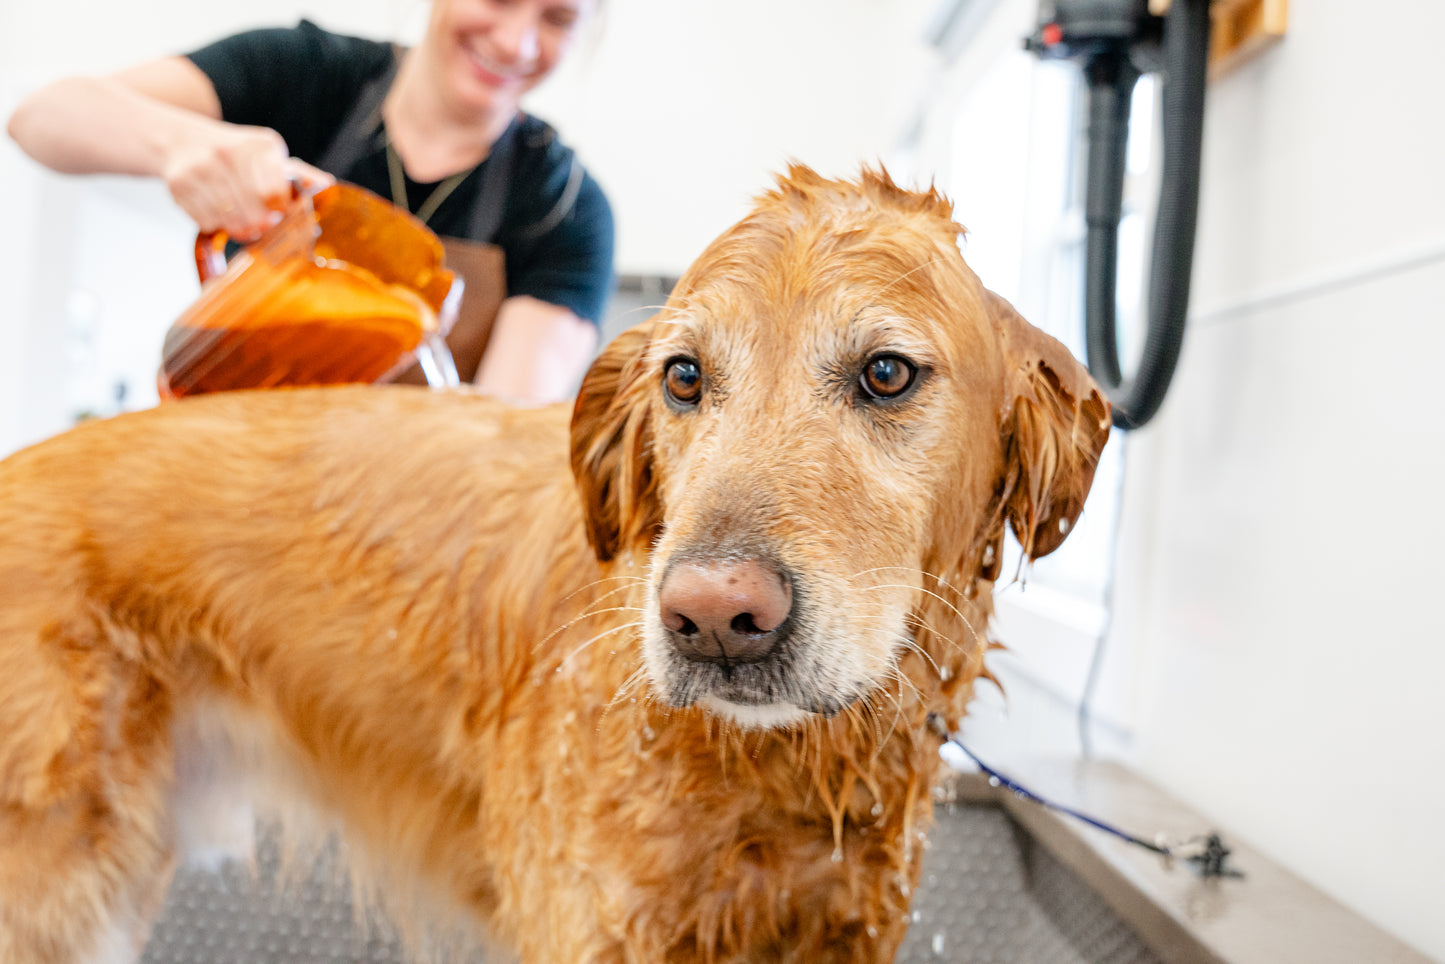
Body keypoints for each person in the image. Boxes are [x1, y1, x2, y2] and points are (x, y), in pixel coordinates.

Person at [6, 0, 613, 405]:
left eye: (557, 17)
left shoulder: (565, 208)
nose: (515, 41)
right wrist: (184, 144)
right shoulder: (304, 72)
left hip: (401, 528)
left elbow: (499, 434)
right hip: (220, 466)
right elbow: (41, 117)